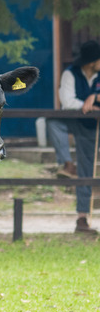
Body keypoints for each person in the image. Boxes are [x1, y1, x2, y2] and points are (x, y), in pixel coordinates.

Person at [45, 40, 100, 235]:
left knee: (86, 171)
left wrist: (96, 99)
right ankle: (67, 163)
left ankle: (82, 218)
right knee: (52, 122)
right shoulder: (70, 73)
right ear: (92, 61)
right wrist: (87, 106)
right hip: (73, 121)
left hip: (93, 127)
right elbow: (67, 102)